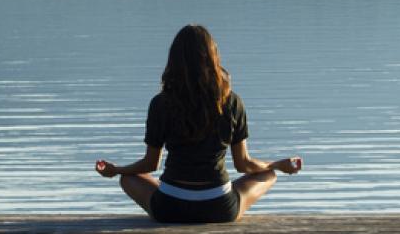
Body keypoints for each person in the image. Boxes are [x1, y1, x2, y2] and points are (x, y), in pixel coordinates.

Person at [95, 24, 302, 224]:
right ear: (213, 58)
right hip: (219, 207)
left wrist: (117, 170)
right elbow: (243, 164)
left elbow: (150, 164)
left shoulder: (161, 103)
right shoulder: (231, 102)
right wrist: (277, 165)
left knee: (128, 178)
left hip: (169, 207)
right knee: (268, 174)